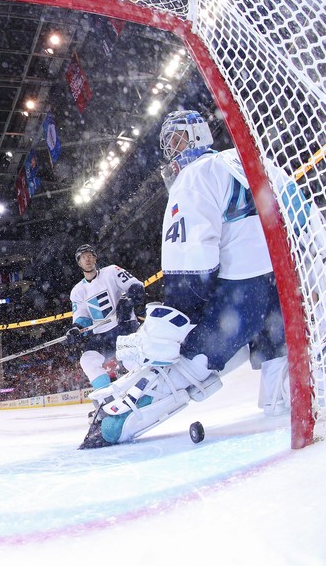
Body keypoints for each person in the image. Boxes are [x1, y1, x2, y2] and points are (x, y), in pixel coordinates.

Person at [82, 109, 289, 448]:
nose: (172, 152)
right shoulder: (253, 160)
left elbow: (191, 272)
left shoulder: (195, 176)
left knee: (188, 362)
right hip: (286, 291)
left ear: (198, 136)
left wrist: (169, 331)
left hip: (242, 296)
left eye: (176, 140)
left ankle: (117, 422)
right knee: (283, 392)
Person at [66, 244, 144, 391]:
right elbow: (82, 318)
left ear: (95, 258)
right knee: (88, 360)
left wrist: (129, 300)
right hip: (103, 335)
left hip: (124, 326)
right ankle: (106, 398)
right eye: (83, 257)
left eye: (90, 255)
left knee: (130, 359)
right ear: (79, 263)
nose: (87, 259)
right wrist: (76, 329)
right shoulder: (77, 291)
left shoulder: (112, 271)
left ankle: (145, 390)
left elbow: (136, 286)